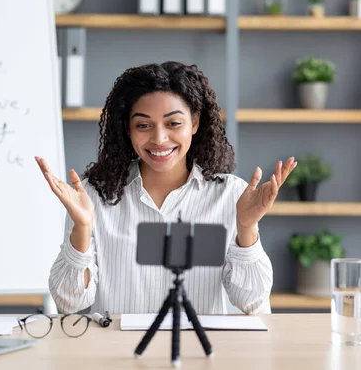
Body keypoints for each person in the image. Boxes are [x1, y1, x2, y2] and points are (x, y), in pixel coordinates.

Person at [35, 61, 296, 316]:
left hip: (198, 353)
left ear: (194, 123)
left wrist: (246, 228)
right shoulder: (93, 195)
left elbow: (252, 302)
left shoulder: (231, 196)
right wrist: (82, 229)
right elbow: (69, 302)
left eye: (173, 123)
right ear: (127, 128)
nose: (159, 138)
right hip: (115, 353)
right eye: (143, 125)